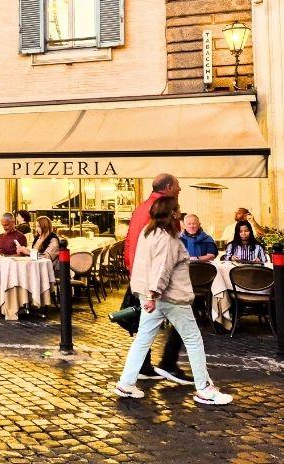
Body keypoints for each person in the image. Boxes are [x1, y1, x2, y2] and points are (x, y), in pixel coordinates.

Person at [114, 196, 233, 405]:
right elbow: (163, 268)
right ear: (171, 213)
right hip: (170, 297)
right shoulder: (168, 238)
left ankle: (126, 382)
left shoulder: (147, 232)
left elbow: (146, 264)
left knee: (143, 339)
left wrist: (149, 295)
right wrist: (153, 294)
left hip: (153, 296)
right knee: (193, 340)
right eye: (178, 210)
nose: (181, 214)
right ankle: (204, 388)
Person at [124, 173, 188, 384]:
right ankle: (169, 363)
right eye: (177, 185)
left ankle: (137, 372)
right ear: (169, 187)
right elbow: (164, 252)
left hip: (142, 277)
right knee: (185, 324)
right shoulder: (162, 210)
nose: (180, 189)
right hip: (156, 282)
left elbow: (129, 242)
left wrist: (132, 271)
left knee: (145, 329)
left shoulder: (140, 208)